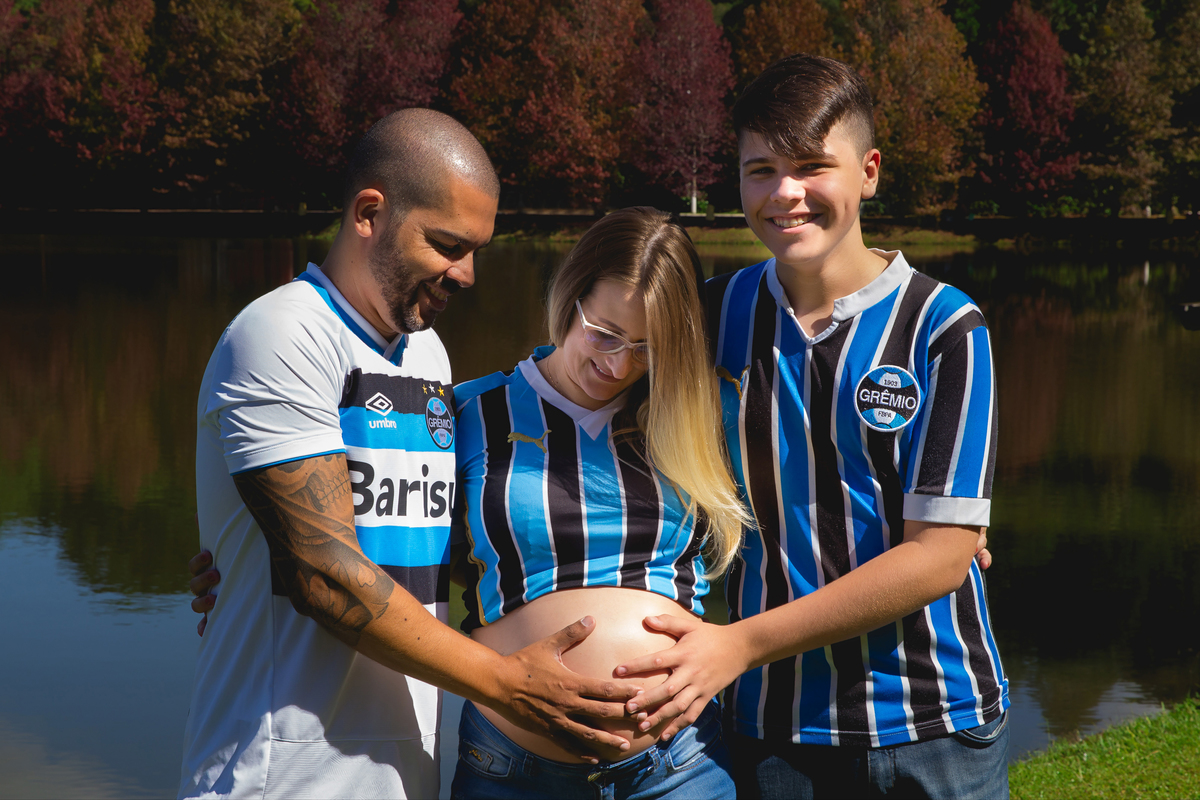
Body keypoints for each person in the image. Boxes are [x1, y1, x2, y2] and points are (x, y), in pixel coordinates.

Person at [180, 109, 644, 800]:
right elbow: (325, 576)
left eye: (477, 249)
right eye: (449, 244)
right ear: (370, 213)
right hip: (280, 776)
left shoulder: (426, 353)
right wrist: (506, 684)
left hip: (400, 774)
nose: (468, 274)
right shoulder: (281, 332)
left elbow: (431, 546)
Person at [612, 54, 1010, 799]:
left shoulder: (944, 326)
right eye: (760, 170)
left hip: (933, 724)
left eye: (812, 166)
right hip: (772, 727)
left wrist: (737, 644)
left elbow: (938, 558)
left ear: (869, 171)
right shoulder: (708, 315)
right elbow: (586, 398)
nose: (785, 193)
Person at [447, 207, 746, 799]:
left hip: (680, 764)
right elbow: (414, 560)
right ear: (571, 296)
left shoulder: (702, 413)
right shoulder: (469, 413)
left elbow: (811, 517)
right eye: (605, 334)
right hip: (509, 768)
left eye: (647, 348)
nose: (617, 365)